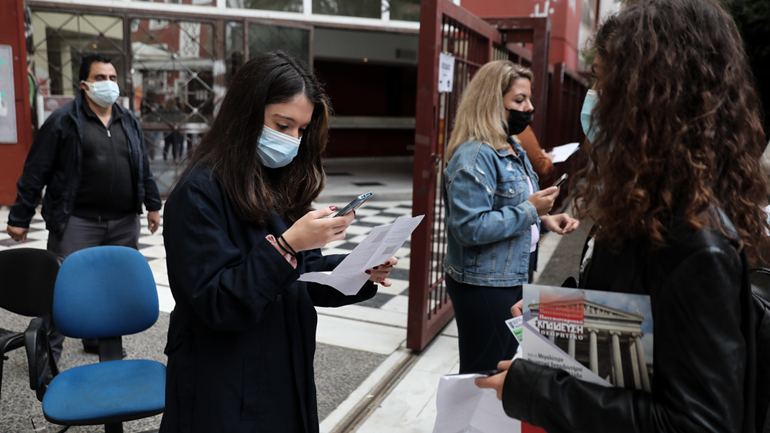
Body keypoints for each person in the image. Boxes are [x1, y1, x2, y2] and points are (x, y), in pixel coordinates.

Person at [476, 0, 770, 431]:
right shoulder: (646, 201)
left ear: (649, 96)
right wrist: (558, 316)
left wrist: (536, 390)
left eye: (601, 81)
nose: (592, 99)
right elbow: (645, 323)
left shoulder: (694, 240)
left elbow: (698, 422)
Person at [159, 50, 398, 433]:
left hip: (285, 365)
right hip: (223, 378)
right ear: (246, 114)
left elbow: (301, 276)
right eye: (282, 125)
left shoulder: (281, 183)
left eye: (301, 130)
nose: (292, 140)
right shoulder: (199, 193)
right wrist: (286, 246)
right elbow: (218, 302)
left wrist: (358, 270)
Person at [6, 53, 162, 361]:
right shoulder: (63, 120)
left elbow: (142, 166)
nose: (108, 84)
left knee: (111, 287)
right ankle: (47, 355)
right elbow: (37, 170)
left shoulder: (127, 119)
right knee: (62, 287)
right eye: (100, 78)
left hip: (123, 222)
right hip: (76, 221)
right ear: (84, 84)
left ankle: (98, 341)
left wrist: (153, 205)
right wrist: (20, 216)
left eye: (113, 78)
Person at [443, 60, 579, 374]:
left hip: (512, 277)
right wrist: (531, 210)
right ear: (492, 102)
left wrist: (544, 221)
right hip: (485, 285)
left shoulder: (511, 145)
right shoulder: (475, 155)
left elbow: (508, 209)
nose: (529, 108)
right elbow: (468, 227)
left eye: (529, 99)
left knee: (503, 370)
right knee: (481, 377)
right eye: (519, 100)